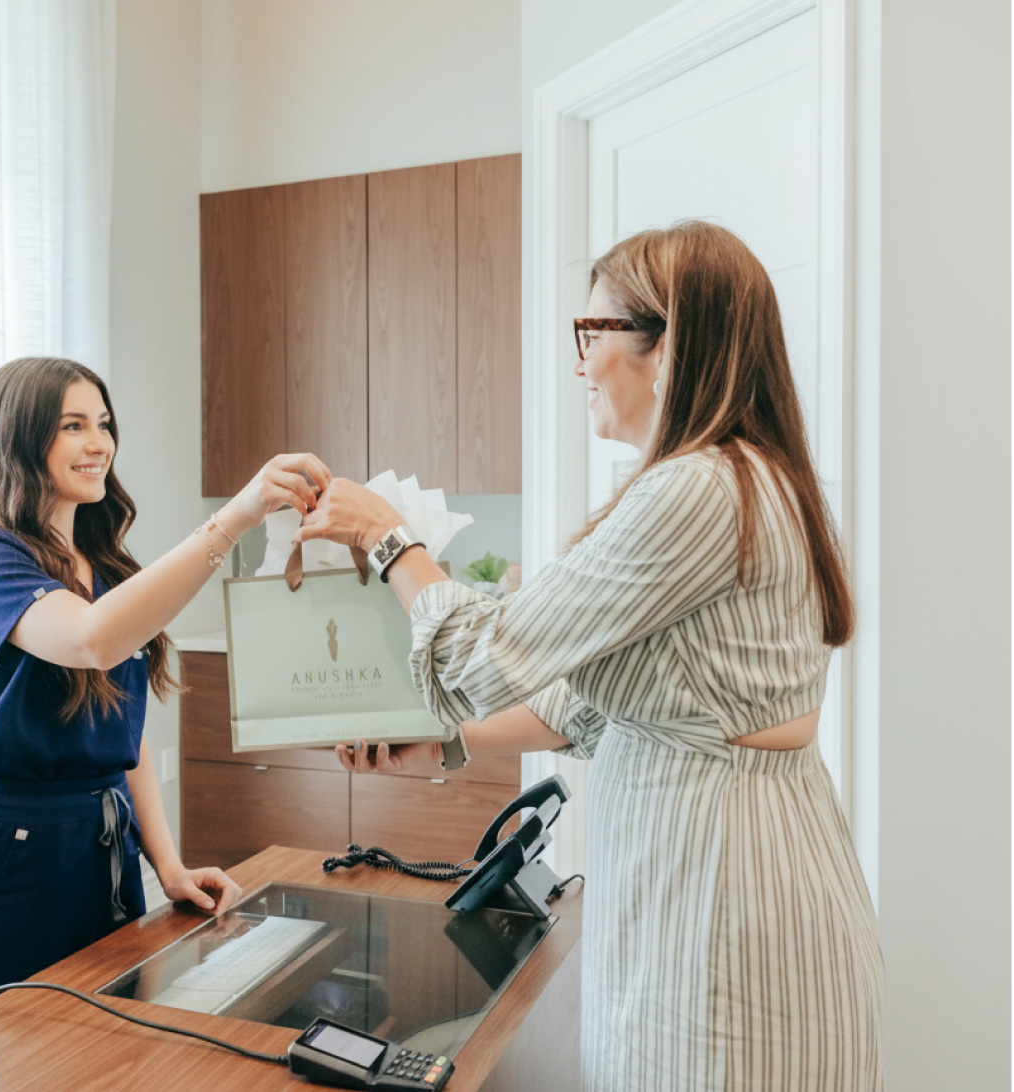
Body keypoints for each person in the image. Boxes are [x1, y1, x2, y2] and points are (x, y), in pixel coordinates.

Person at [298, 221, 884, 1092]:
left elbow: (482, 652)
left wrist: (389, 540)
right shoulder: (754, 477)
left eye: (591, 333)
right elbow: (616, 705)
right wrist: (450, 745)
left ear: (668, 347)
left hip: (720, 896)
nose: (578, 364)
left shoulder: (695, 488)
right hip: (750, 862)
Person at [0, 355, 332, 1030]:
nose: (99, 443)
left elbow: (124, 731)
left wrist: (167, 866)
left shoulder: (106, 567)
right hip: (0, 857)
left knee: (99, 1052)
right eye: (73, 426)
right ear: (18, 440)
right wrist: (235, 517)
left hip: (96, 851)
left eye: (104, 423)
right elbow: (89, 641)